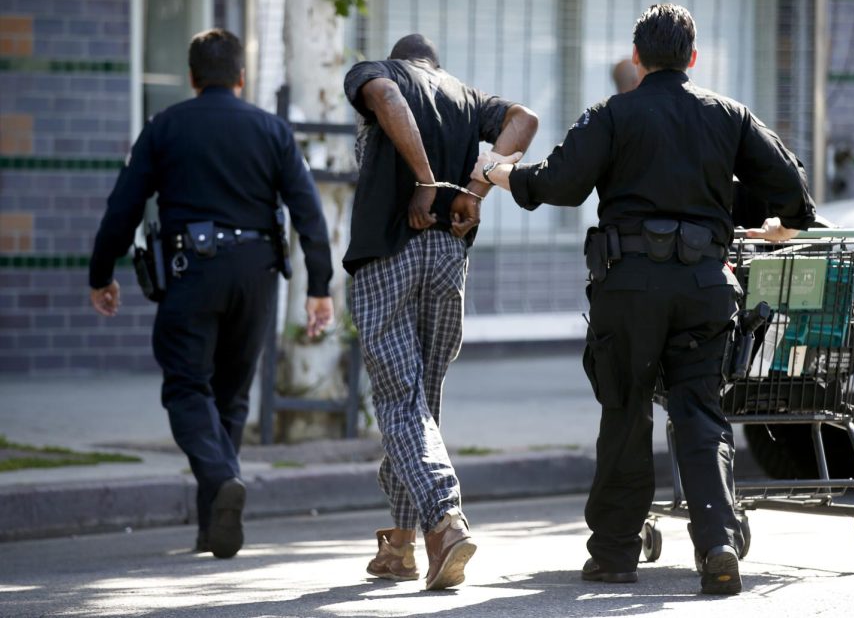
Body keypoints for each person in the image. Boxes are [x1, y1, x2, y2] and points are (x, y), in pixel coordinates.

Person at [472, 4, 815, 595]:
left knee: (626, 411)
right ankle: (719, 545)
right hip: (707, 287)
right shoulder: (729, 116)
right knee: (700, 414)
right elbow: (792, 191)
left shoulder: (612, 114)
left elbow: (558, 183)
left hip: (628, 287)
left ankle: (613, 555)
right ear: (693, 57)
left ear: (637, 57)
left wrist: (502, 173)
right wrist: (739, 212)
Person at [88, 29, 334, 559]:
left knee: (185, 387)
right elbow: (308, 210)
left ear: (193, 77)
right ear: (241, 77)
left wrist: (101, 273)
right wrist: (319, 287)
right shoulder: (272, 130)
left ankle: (222, 479)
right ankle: (212, 526)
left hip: (190, 270)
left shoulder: (166, 126)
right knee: (231, 397)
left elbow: (123, 207)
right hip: (257, 272)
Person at [343, 34, 538, 590]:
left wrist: (427, 183)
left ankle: (445, 523)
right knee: (420, 401)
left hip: (388, 252)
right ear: (435, 64)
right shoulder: (465, 97)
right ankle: (402, 546)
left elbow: (387, 98)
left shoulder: (377, 71)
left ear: (402, 60)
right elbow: (525, 120)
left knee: (400, 399)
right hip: (448, 257)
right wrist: (475, 190)